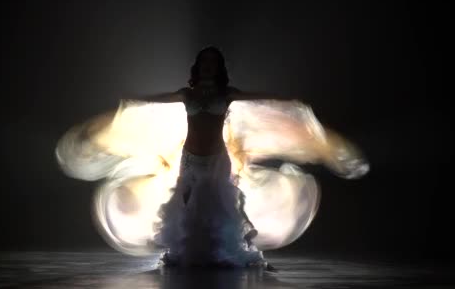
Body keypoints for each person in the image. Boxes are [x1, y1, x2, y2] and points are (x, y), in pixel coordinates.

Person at [55, 46, 369, 269]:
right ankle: (188, 254)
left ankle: (220, 254)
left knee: (219, 207)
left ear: (217, 68)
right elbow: (159, 99)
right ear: (198, 67)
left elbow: (257, 97)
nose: (207, 66)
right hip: (190, 158)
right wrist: (132, 102)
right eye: (203, 62)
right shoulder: (188, 94)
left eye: (212, 62)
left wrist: (290, 104)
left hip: (218, 159)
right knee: (187, 207)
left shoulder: (226, 94)